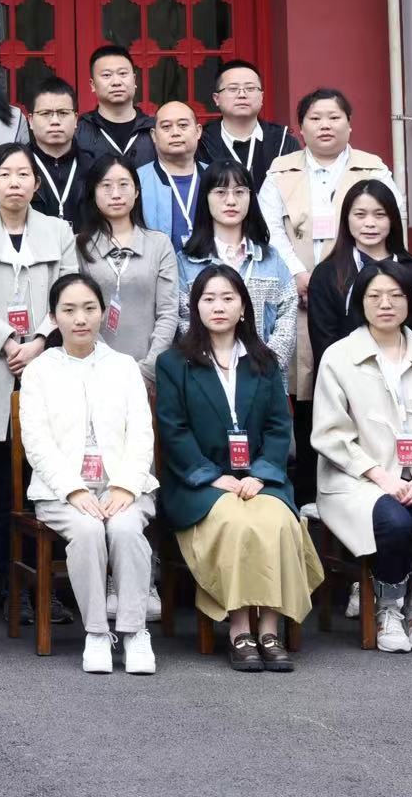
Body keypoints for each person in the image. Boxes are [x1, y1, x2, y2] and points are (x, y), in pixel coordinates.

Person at [155, 265, 323, 672]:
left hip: (261, 479)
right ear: (195, 307)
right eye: (208, 298)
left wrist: (261, 474)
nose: (218, 306)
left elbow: (279, 428)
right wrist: (215, 477)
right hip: (201, 484)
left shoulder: (265, 361)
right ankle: (239, 628)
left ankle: (270, 629)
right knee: (236, 523)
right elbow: (174, 431)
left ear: (244, 307)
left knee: (278, 522)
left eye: (228, 298)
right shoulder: (173, 363)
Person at [313, 259, 412, 654]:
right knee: (394, 523)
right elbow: (331, 433)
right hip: (357, 480)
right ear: (360, 302)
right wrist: (380, 476)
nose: (385, 304)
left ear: (409, 301)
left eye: (395, 295)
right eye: (375, 296)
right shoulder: (339, 356)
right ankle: (388, 607)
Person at [0, 142, 80, 612]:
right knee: (0, 487)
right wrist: (9, 342)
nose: (14, 183)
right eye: (4, 174)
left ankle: (49, 589)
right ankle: (13, 589)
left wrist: (40, 340)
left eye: (23, 174)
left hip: (47, 364)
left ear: (36, 183)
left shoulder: (58, 231)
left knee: (45, 481)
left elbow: (70, 293)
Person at [18, 273, 159, 675]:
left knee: (126, 529)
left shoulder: (124, 367)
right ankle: (97, 632)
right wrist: (74, 490)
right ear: (53, 317)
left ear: (102, 312)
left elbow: (141, 433)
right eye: (69, 310)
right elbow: (36, 441)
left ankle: (134, 631)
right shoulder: (39, 371)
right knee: (88, 530)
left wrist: (125, 486)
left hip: (122, 488)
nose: (80, 318)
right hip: (61, 493)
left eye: (88, 308)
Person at [261, 88, 400, 274]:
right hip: (294, 281)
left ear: (349, 124)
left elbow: (390, 220)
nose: (325, 125)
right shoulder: (280, 170)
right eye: (315, 118)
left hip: (361, 279)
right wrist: (296, 272)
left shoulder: (373, 169)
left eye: (334, 118)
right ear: (301, 127)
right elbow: (270, 227)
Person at [176, 164, 301, 371]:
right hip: (209, 376)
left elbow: (287, 317)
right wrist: (216, 368)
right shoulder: (187, 262)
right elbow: (184, 321)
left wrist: (266, 367)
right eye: (221, 192)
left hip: (264, 376)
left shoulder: (271, 259)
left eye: (240, 192)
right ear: (205, 197)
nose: (231, 201)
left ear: (251, 197)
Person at [304, 180, 412, 363]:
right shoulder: (326, 274)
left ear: (392, 219)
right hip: (346, 375)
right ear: (346, 218)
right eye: (360, 215)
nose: (370, 223)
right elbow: (324, 344)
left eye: (380, 215)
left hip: (408, 373)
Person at [73, 154, 180, 380]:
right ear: (93, 192)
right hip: (93, 369)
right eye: (106, 186)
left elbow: (168, 313)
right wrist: (109, 367)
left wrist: (148, 369)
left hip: (150, 372)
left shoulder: (159, 244)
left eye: (124, 185)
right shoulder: (78, 246)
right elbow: (77, 311)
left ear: (137, 191)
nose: (116, 194)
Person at [198, 60, 296, 191]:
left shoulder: (284, 142)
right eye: (233, 89)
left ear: (261, 97)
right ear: (216, 99)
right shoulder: (201, 144)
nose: (242, 95)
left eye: (250, 88)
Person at [136, 101, 212, 249]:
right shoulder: (137, 181)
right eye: (166, 127)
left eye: (183, 125)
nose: (175, 132)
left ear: (198, 131)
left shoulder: (217, 178)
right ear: (154, 135)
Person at [24, 78, 95, 222]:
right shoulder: (17, 167)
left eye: (63, 113)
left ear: (75, 119)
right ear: (31, 120)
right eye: (45, 113)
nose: (55, 121)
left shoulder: (93, 167)